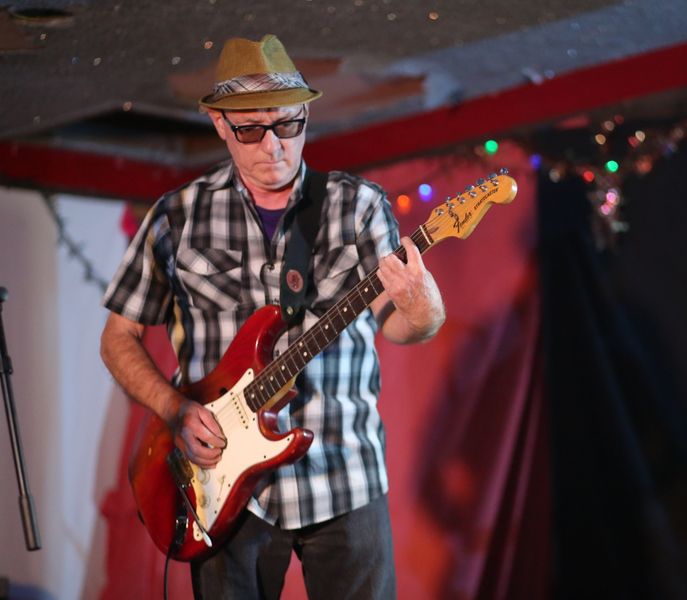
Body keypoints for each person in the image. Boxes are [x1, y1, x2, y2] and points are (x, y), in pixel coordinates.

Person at [99, 34, 445, 599]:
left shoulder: (358, 207)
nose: (274, 146)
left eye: (288, 125)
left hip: (344, 475)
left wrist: (423, 304)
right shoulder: (176, 217)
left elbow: (404, 324)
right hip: (221, 487)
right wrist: (175, 410)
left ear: (306, 115)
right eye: (251, 130)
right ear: (219, 123)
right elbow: (119, 337)